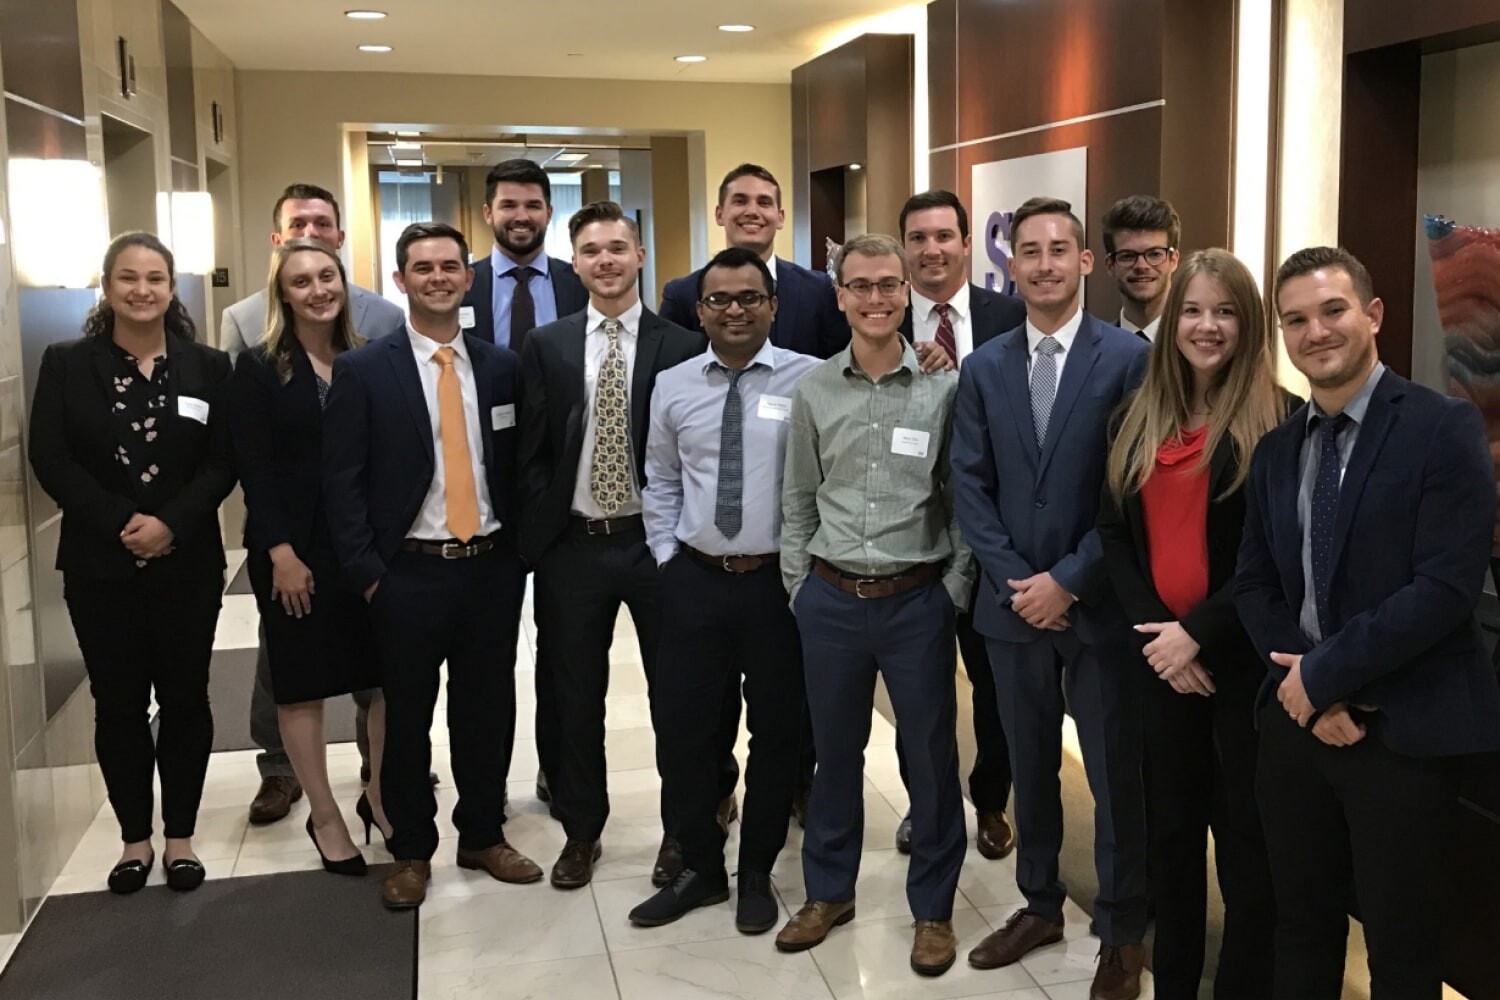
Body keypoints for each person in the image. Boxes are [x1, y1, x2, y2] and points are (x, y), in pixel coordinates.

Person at [1235, 246, 1500, 998]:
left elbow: (1443, 588)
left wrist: (1323, 677)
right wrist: (1305, 694)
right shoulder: (1276, 450)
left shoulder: (1443, 428)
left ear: (1373, 314)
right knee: (1301, 928)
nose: (1316, 332)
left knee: (1403, 949)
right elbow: (1254, 583)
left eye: (1333, 310)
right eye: (1295, 320)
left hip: (1402, 735)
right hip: (1299, 733)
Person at [951, 197, 1150, 1000]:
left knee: (1113, 777)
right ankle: (1038, 904)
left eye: (1058, 249)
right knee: (1028, 765)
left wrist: (1068, 579)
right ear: (1011, 265)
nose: (1043, 264)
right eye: (1027, 251)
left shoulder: (1128, 361)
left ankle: (1123, 933)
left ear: (1085, 262)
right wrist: (1017, 582)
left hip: (1099, 607)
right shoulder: (984, 367)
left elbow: (1135, 490)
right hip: (1011, 611)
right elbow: (969, 485)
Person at [323, 222, 540, 909]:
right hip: (406, 573)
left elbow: (519, 464)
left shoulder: (501, 366)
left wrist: (520, 555)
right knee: (407, 719)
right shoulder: (365, 369)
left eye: (450, 266)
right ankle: (411, 849)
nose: (438, 278)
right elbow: (342, 481)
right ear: (401, 280)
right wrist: (368, 573)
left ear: (469, 278)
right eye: (423, 268)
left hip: (489, 568)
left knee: (487, 711)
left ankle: (482, 834)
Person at [776, 233, 970, 977]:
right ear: (840, 297)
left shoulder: (944, 387)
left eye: (889, 284)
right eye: (860, 286)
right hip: (829, 600)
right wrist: (799, 587)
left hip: (916, 601)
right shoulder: (815, 390)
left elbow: (962, 502)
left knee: (930, 758)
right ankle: (829, 892)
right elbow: (798, 498)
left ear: (907, 292)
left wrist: (952, 589)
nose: (876, 298)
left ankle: (934, 909)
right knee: (834, 756)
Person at [1097, 249, 1286, 998]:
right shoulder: (1134, 416)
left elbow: (1273, 558)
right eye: (1195, 311)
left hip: (1242, 668)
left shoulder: (1281, 421)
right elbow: (1113, 536)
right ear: (1173, 321)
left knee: (1248, 849)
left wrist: (1198, 633)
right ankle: (1173, 984)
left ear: (1250, 324)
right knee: (1170, 843)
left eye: (1226, 311)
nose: (1208, 327)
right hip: (1161, 667)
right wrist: (1160, 636)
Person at [29, 231, 235, 893]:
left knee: (185, 699)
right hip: (100, 565)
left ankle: (181, 838)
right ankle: (134, 840)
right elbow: (50, 457)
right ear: (107, 286)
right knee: (117, 704)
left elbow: (223, 461)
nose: (141, 290)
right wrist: (122, 521)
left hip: (187, 562)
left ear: (171, 289)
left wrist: (171, 523)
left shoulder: (208, 367)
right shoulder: (66, 363)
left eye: (154, 278)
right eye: (128, 277)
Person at [630, 247, 818, 935]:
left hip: (777, 588)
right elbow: (660, 478)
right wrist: (667, 558)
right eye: (719, 300)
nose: (735, 310)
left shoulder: (811, 379)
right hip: (695, 582)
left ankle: (757, 872)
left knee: (777, 734)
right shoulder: (673, 384)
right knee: (685, 732)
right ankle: (701, 869)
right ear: (700, 310)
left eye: (749, 297)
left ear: (772, 305)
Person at [518, 201, 702, 890]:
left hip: (656, 547)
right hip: (575, 547)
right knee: (573, 697)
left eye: (618, 248)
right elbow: (533, 449)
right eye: (592, 250)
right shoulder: (548, 344)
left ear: (640, 255)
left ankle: (682, 832)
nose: (606, 261)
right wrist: (542, 530)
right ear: (575, 263)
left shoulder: (683, 345)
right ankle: (581, 829)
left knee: (677, 696)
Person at [221, 182, 405, 825]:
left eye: (327, 277)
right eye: (301, 282)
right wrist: (280, 552)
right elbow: (255, 468)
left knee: (385, 676)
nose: (318, 290)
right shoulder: (259, 366)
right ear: (283, 292)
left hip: (365, 546)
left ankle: (379, 795)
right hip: (293, 549)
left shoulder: (370, 357)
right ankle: (324, 815)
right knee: (297, 681)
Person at [892, 188, 1026, 859]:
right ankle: (926, 803)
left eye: (944, 236)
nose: (932, 250)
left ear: (967, 244)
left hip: (993, 537)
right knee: (918, 690)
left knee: (995, 685)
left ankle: (991, 800)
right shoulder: (878, 318)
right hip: (910, 538)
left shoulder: (1012, 316)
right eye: (918, 238)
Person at [460, 157, 589, 815]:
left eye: (533, 205)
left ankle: (557, 772)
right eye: (508, 205)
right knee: (485, 658)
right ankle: (484, 791)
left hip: (563, 495)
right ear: (488, 213)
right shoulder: (461, 283)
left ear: (549, 212)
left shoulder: (579, 281)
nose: (521, 216)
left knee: (562, 650)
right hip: (480, 496)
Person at [659, 163, 848, 359]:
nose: (752, 211)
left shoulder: (819, 291)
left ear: (780, 218)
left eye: (764, 202)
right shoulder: (681, 296)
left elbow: (838, 365)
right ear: (719, 214)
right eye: (740, 201)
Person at [1100, 195, 1181, 343]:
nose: (1141, 266)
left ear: (1174, 260)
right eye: (1128, 256)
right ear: (1110, 265)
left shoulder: (1197, 346)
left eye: (1154, 254)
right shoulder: (1091, 349)